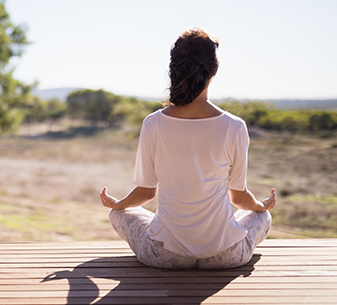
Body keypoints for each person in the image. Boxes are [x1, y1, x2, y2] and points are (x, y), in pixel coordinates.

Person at [100, 27, 276, 269]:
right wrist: (261, 206)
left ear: (174, 69)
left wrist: (116, 204)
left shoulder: (153, 123)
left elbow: (146, 193)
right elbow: (239, 198)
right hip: (225, 256)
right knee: (262, 216)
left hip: (164, 256)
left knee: (118, 214)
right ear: (214, 71)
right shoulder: (234, 126)